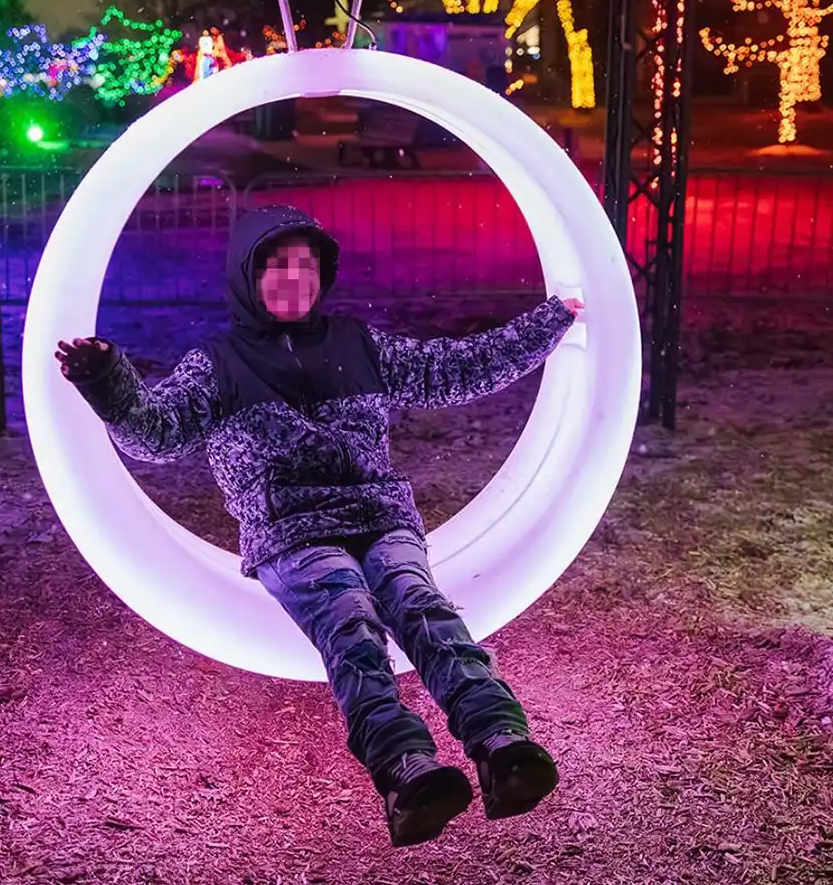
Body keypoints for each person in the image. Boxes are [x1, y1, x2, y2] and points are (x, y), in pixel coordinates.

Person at [56, 205, 584, 848]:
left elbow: (456, 368)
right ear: (248, 275)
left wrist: (554, 320)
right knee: (349, 620)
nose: (294, 280)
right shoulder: (218, 365)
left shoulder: (356, 344)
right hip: (291, 529)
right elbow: (155, 436)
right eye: (278, 266)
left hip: (377, 512)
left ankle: (502, 744)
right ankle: (406, 770)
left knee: (420, 604)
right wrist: (106, 379)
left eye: (307, 266)